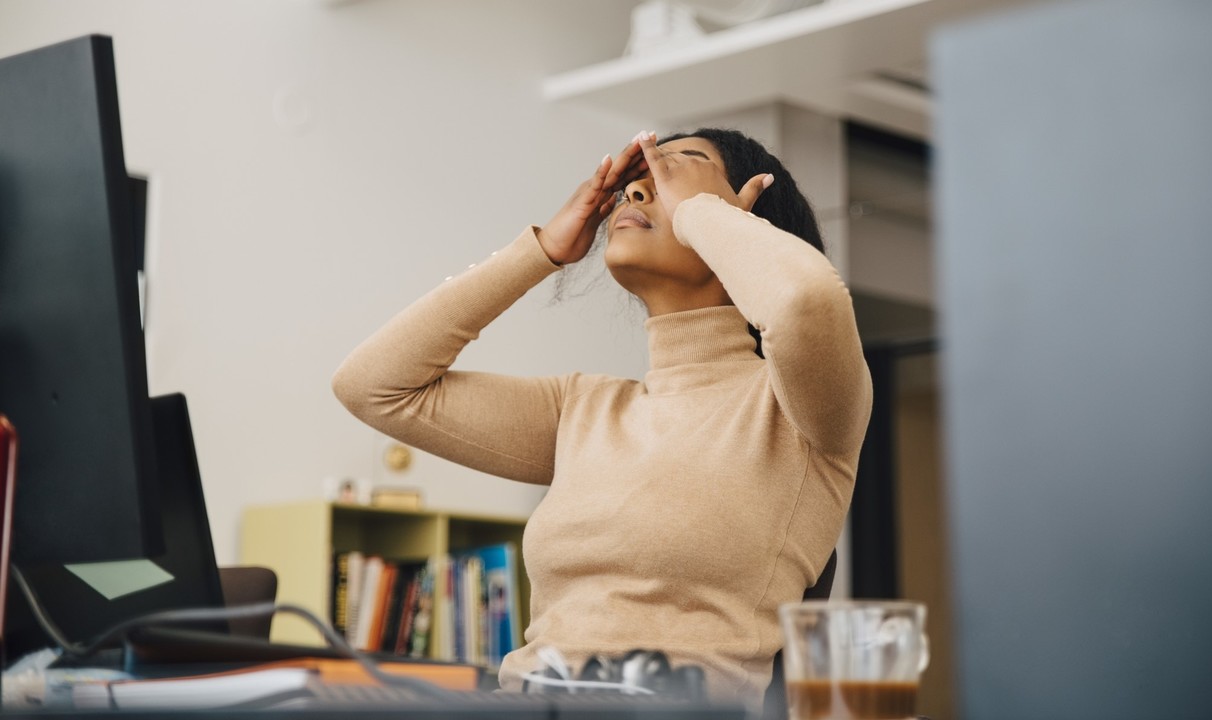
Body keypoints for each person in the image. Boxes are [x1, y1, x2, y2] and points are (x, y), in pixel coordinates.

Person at [332, 128, 872, 710]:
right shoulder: (583, 409)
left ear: (746, 213)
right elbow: (373, 387)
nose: (637, 190)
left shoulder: (802, 410)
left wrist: (702, 216)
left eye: (675, 170)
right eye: (636, 179)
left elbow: (807, 302)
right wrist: (539, 252)